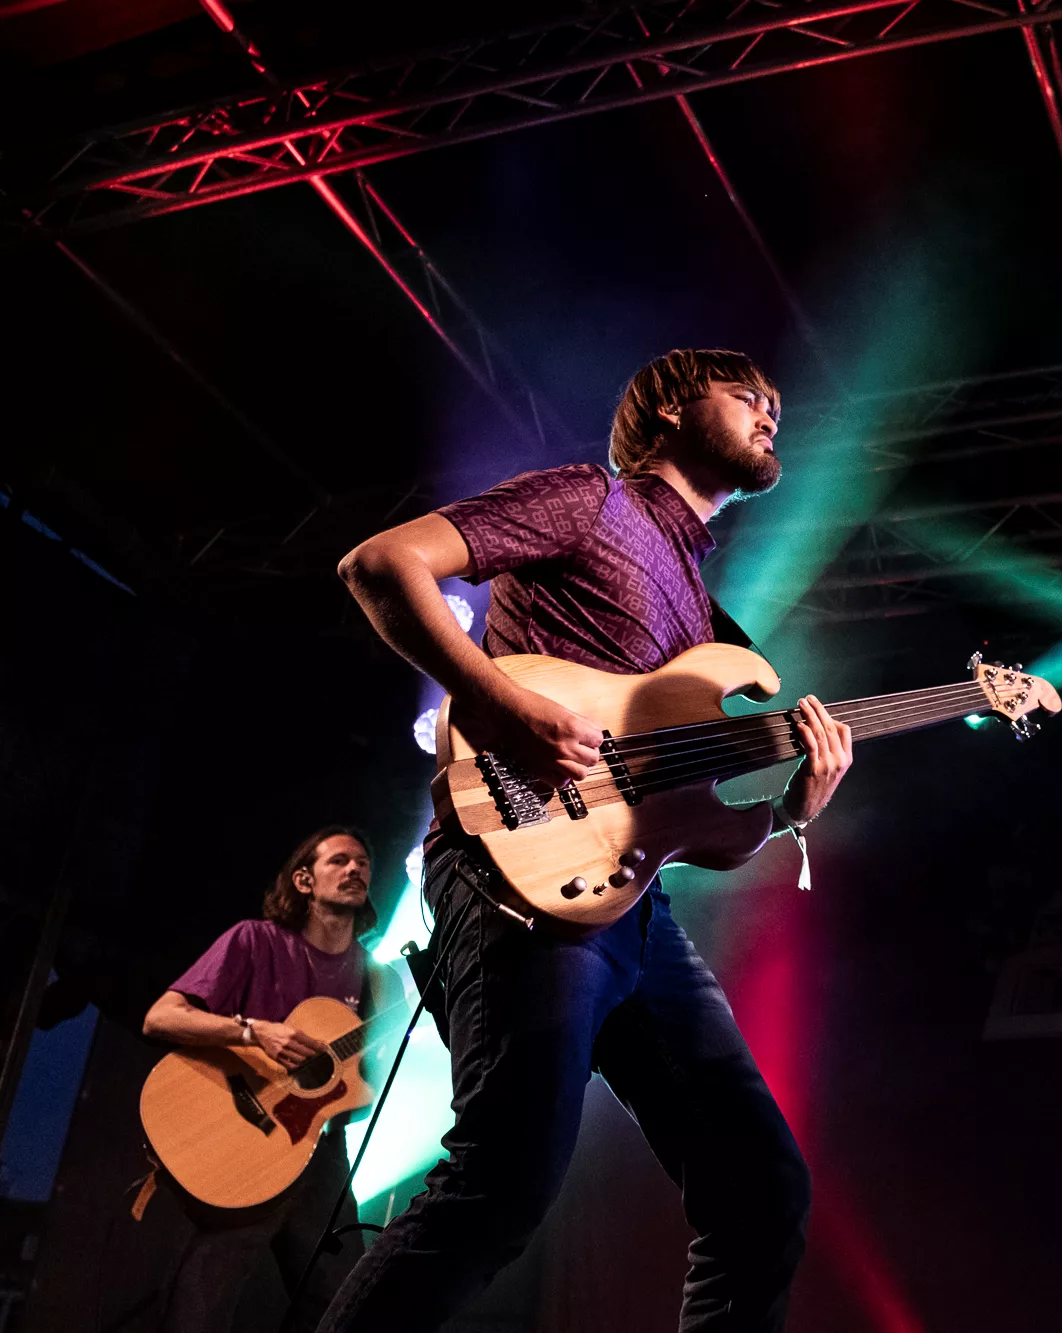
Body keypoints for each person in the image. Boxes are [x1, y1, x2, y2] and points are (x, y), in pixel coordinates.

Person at [324, 349, 854, 1332]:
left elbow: (697, 816)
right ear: (669, 409)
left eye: (776, 402)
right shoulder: (588, 500)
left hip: (629, 903)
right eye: (745, 394)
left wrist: (792, 809)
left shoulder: (709, 619)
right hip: (514, 867)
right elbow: (381, 562)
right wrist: (497, 701)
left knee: (759, 1189)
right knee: (503, 1180)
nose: (770, 411)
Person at [142, 826, 391, 1333]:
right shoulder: (254, 940)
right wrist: (253, 1031)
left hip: (320, 1156)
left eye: (363, 863)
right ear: (303, 880)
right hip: (246, 1146)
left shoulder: (377, 977)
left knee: (344, 1312)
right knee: (199, 1313)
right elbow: (160, 1018)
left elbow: (364, 1089)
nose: (355, 869)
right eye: (339, 860)